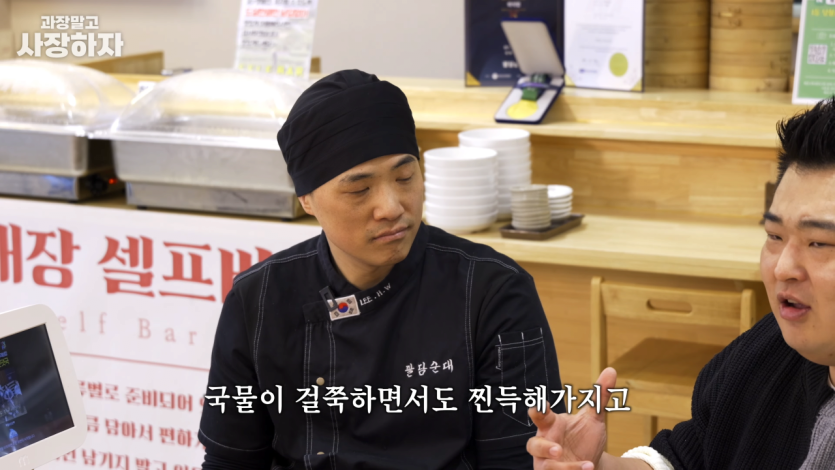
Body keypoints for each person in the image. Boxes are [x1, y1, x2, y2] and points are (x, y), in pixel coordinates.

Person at [198, 69, 565, 470]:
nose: (391, 207)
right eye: (360, 189)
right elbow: (229, 461)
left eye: (405, 177)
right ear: (306, 199)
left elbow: (519, 461)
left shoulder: (493, 291)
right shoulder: (260, 298)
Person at [526, 98, 835, 469]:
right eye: (774, 236)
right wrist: (598, 466)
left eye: (819, 243)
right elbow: (688, 458)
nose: (782, 268)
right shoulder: (761, 355)